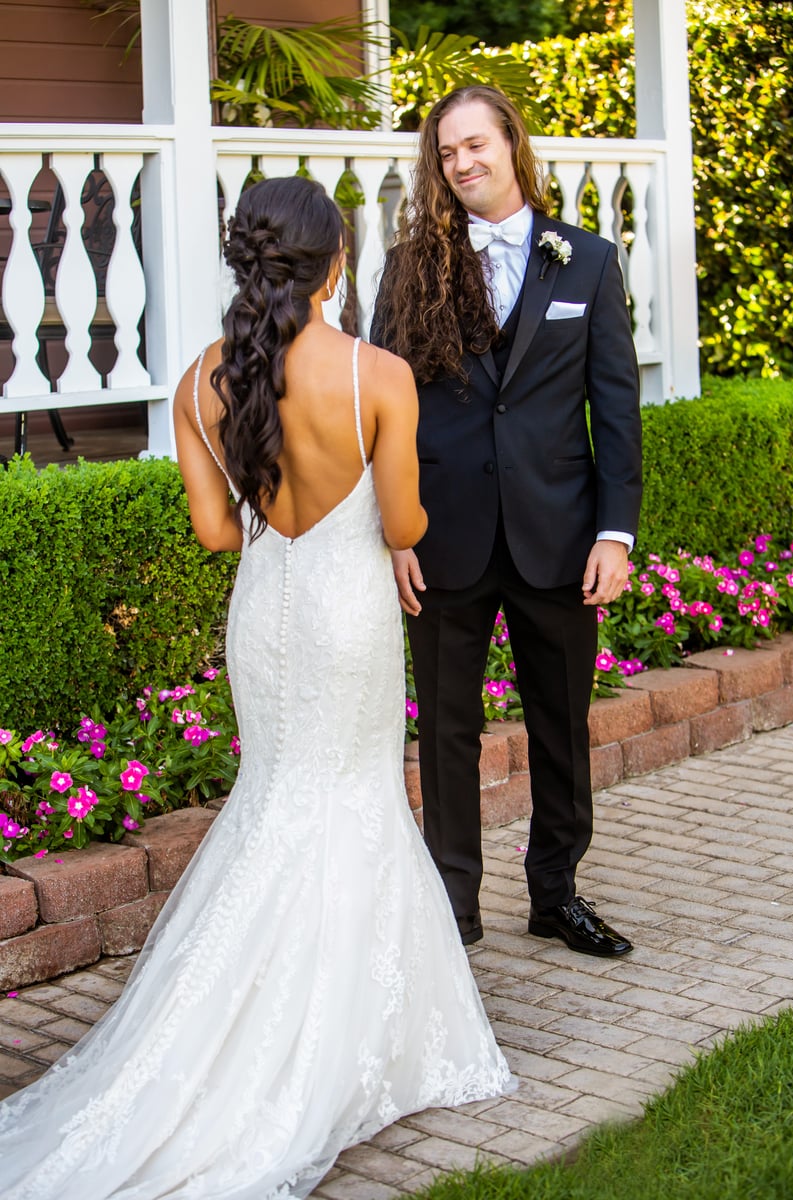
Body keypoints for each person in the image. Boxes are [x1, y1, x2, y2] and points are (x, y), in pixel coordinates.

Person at [0, 176, 513, 1200]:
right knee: (354, 799)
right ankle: (343, 1041)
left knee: (279, 798)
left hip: (266, 616)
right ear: (335, 263)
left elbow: (215, 532)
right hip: (347, 616)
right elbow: (404, 526)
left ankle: (256, 1018)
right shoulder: (377, 374)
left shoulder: (202, 379)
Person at [371, 86, 642, 957]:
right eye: (446, 152)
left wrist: (615, 532)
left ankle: (555, 894)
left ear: (510, 143)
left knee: (561, 725)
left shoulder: (587, 261)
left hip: (557, 535)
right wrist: (395, 531)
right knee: (445, 732)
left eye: (475, 144)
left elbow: (616, 407)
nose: (462, 163)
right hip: (441, 536)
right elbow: (380, 409)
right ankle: (453, 910)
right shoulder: (409, 266)